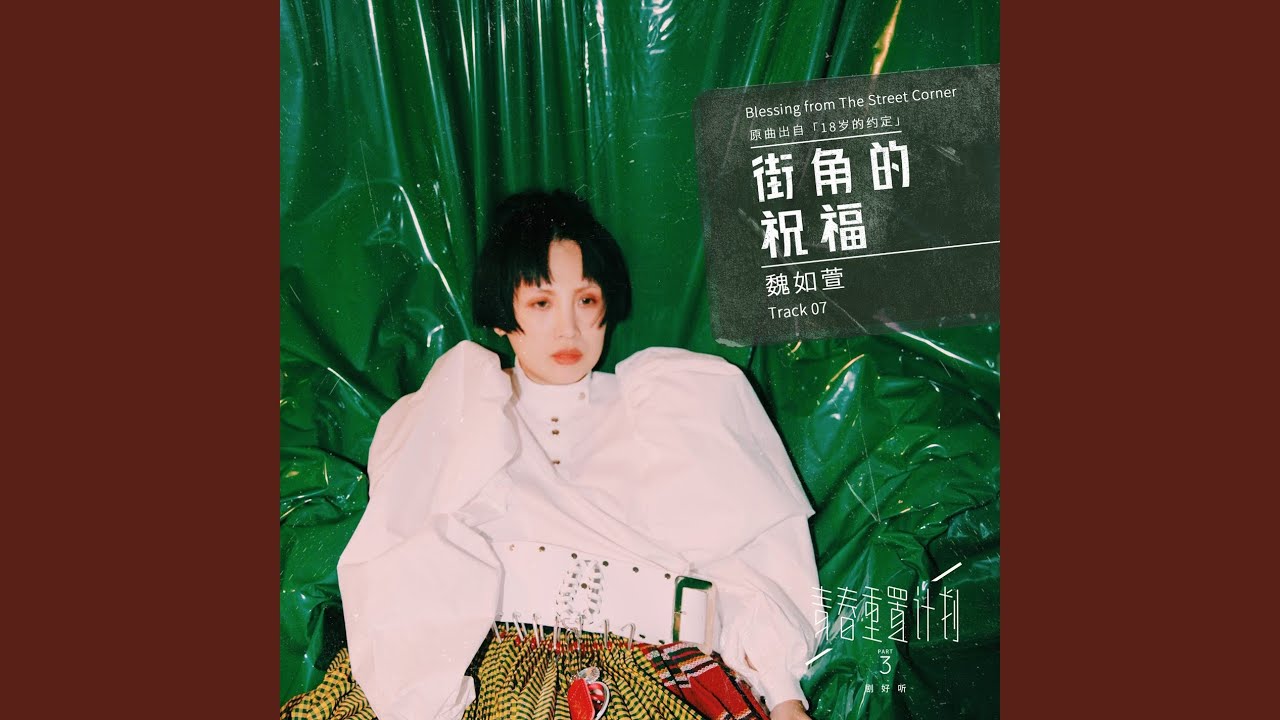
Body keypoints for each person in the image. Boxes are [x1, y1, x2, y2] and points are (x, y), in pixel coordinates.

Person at [336, 190, 819, 720]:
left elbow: (745, 560)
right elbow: (403, 561)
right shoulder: (459, 408)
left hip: (654, 677)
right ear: (501, 315)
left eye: (586, 301)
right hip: (491, 678)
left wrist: (783, 694)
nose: (568, 329)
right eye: (541, 304)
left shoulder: (673, 405)